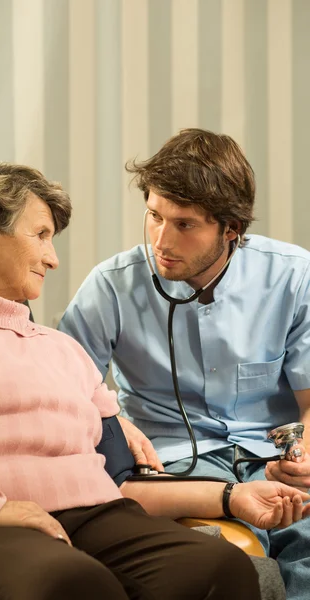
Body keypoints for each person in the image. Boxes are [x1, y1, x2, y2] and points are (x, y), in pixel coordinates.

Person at [0, 160, 307, 600]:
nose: (53, 259)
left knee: (218, 568)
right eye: (40, 235)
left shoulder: (59, 348)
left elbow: (119, 482)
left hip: (95, 517)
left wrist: (231, 497)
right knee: (73, 584)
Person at [58, 128, 310, 600]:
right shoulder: (111, 285)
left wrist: (305, 458)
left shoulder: (294, 276)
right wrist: (111, 420)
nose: (161, 239)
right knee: (233, 566)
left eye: (184, 224)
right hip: (175, 468)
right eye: (154, 216)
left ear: (231, 228)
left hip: (275, 458)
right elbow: (61, 396)